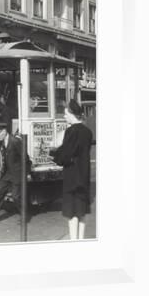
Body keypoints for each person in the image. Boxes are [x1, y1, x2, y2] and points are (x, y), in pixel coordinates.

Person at [50, 99, 93, 240]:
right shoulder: (87, 132)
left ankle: (73, 242)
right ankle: (81, 240)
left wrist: (54, 155)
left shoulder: (71, 131)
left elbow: (65, 155)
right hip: (84, 176)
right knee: (82, 212)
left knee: (72, 213)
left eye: (65, 114)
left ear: (72, 114)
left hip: (72, 178)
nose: (64, 116)